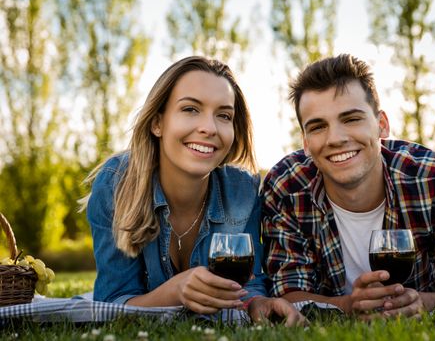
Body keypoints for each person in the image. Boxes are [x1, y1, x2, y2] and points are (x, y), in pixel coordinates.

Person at [261, 53, 435, 319]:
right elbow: (288, 293)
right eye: (318, 127)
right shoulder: (287, 186)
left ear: (382, 125)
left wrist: (422, 302)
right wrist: (349, 306)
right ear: (306, 142)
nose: (336, 138)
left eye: (351, 119)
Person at [83, 56, 304, 326]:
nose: (209, 128)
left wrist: (256, 303)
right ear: (157, 123)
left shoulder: (243, 190)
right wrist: (175, 292)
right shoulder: (115, 185)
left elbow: (249, 283)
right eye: (190, 109)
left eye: (224, 116)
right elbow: (112, 302)